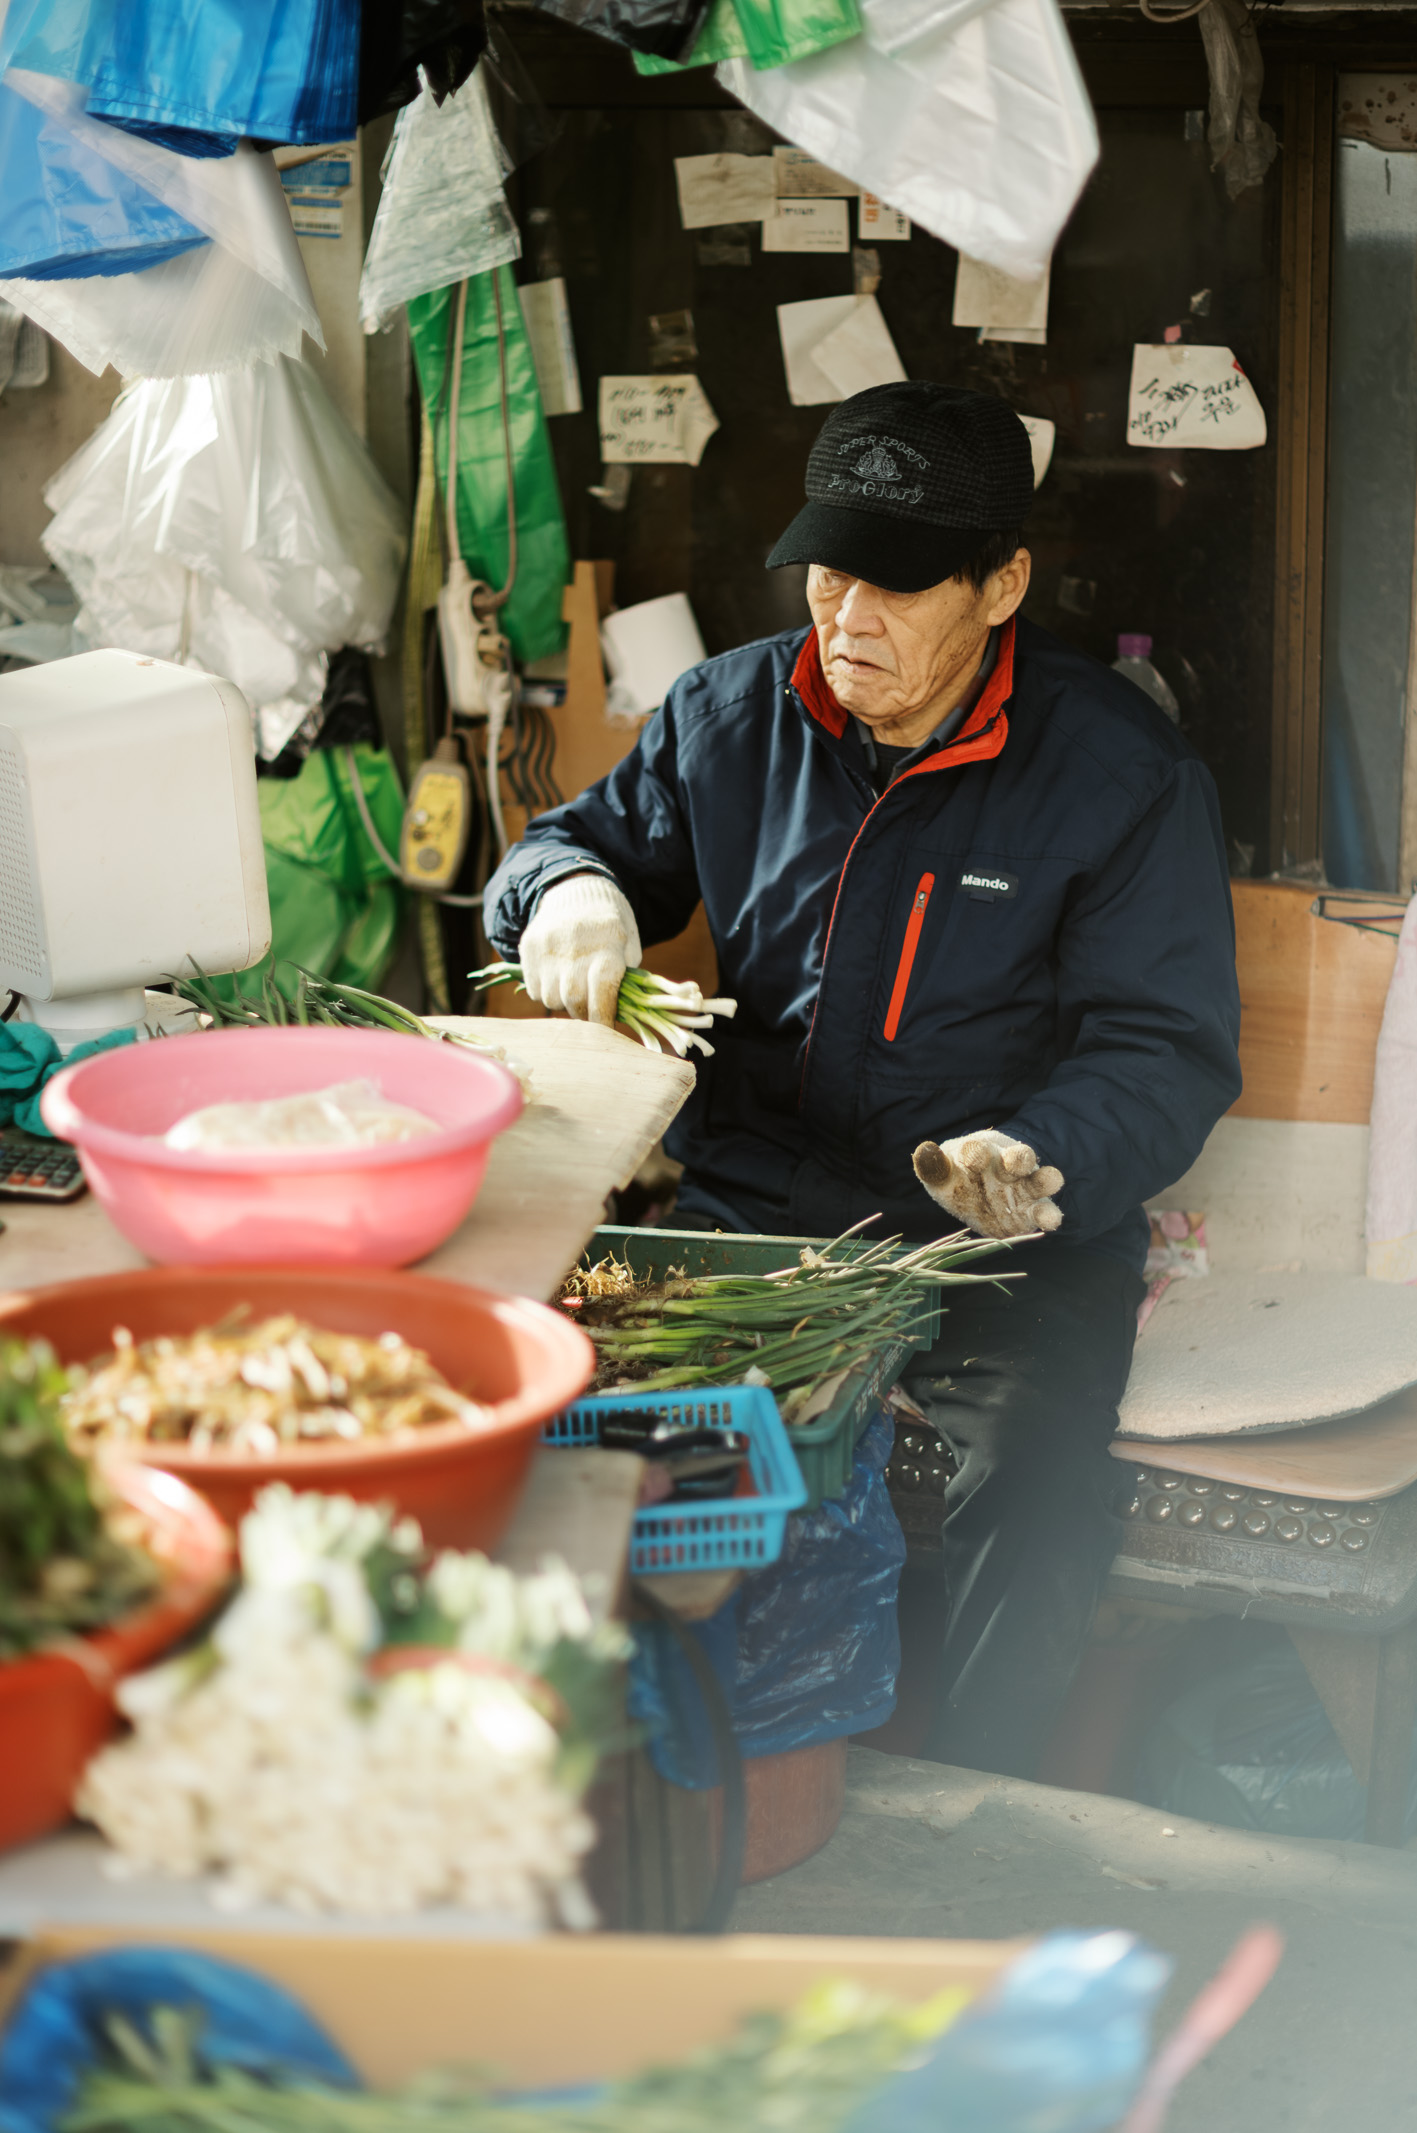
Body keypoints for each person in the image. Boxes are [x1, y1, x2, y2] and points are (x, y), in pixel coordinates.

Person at [485, 382, 1242, 1777]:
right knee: (581, 1415)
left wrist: (1038, 1154)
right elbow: (575, 842)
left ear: (1001, 583)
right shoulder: (729, 716)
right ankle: (633, 1770)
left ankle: (978, 1806)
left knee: (1036, 1474)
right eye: (830, 571)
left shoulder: (1116, 775)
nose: (847, 619)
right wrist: (559, 889)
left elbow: (1166, 1047)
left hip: (999, 1239)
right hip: (760, 1206)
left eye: (898, 584)